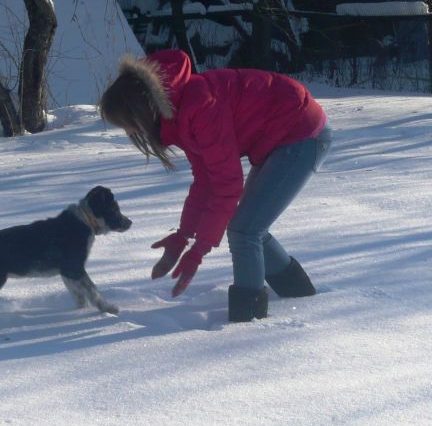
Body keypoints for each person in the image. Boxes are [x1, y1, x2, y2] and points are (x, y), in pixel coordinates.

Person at [99, 49, 332, 322]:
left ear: (141, 110)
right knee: (250, 226)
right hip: (281, 136)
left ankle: (248, 320)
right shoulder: (180, 112)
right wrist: (183, 235)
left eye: (127, 124)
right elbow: (205, 182)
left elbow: (227, 186)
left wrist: (199, 250)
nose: (129, 132)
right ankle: (298, 293)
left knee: (245, 230)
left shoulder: (199, 106)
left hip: (301, 134)